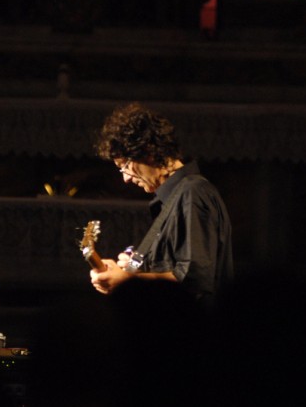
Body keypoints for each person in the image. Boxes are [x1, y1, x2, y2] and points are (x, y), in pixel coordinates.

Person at [90, 102, 234, 308]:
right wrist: (128, 272)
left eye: (125, 166)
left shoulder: (192, 193)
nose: (126, 179)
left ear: (147, 150)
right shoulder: (178, 196)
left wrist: (130, 281)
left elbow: (195, 280)